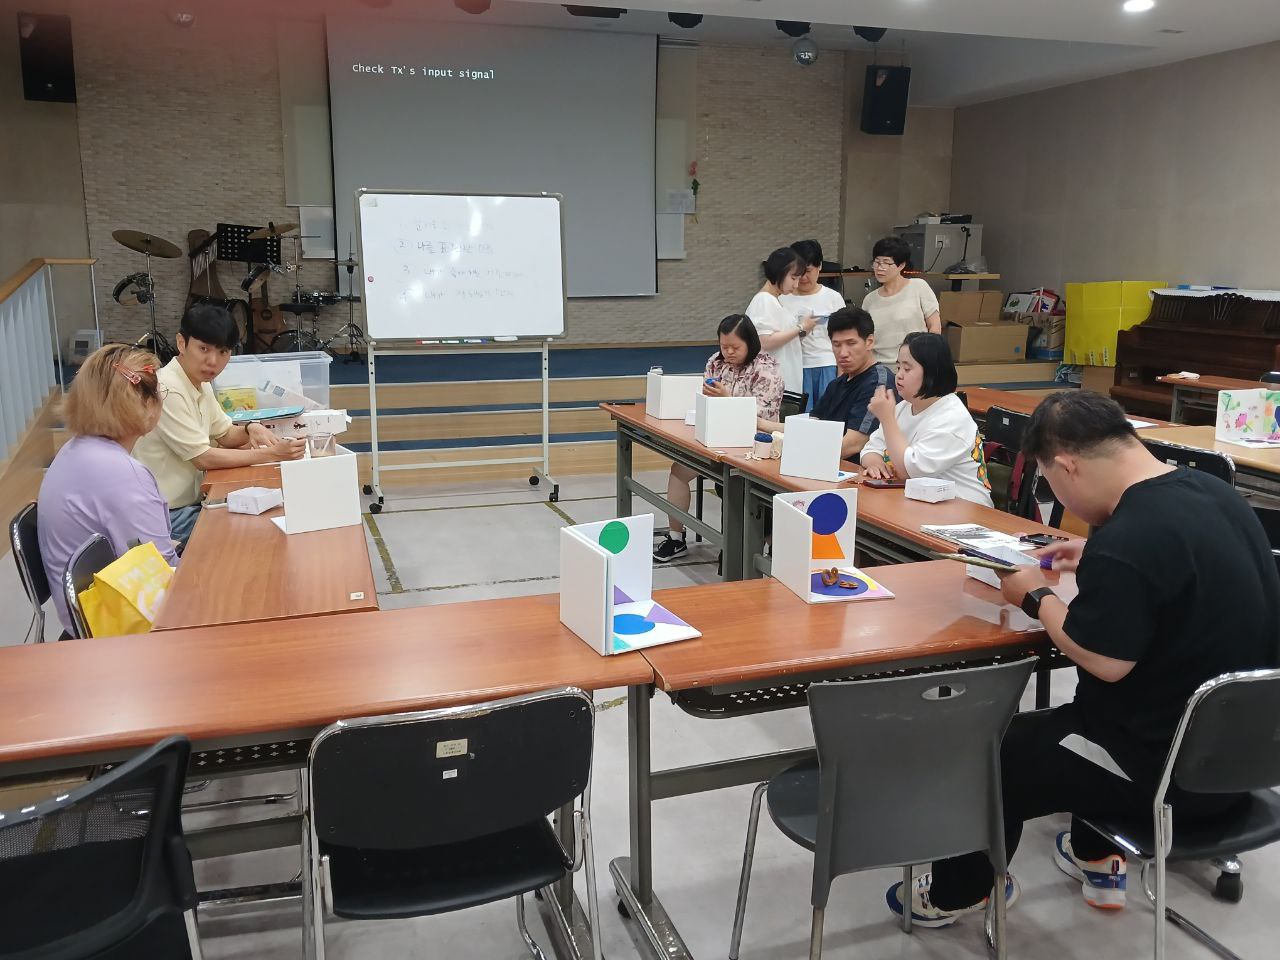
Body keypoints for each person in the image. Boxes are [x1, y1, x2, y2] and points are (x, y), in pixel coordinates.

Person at [888, 390, 1280, 929]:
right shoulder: (1216, 494)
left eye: (1052, 483)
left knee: (997, 744)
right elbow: (1186, 578)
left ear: (1067, 465)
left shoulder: (1132, 536)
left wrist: (1033, 595)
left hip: (1167, 782)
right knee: (1096, 717)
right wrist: (1098, 556)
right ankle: (1095, 853)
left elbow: (1103, 660)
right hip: (1243, 765)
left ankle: (961, 891)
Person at [133, 303, 304, 545]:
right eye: (204, 348)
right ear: (182, 343)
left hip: (188, 503)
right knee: (258, 529)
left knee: (268, 516)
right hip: (166, 518)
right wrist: (273, 454)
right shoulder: (168, 389)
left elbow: (224, 434)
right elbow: (203, 457)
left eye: (223, 352)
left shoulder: (198, 382)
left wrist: (249, 428)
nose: (213, 361)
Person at [36, 344, 178, 633]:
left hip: (85, 616)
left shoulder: (72, 452)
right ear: (146, 403)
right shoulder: (123, 474)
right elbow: (165, 576)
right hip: (120, 628)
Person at [653, 315, 783, 563]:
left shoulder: (767, 368)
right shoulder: (716, 361)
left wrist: (727, 399)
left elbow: (763, 418)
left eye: (736, 347)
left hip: (754, 446)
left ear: (751, 343)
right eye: (725, 347)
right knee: (679, 470)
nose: (729, 352)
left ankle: (767, 550)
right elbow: (704, 400)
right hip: (715, 439)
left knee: (738, 485)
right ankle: (676, 538)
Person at [860, 332, 992, 505]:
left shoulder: (952, 417)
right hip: (920, 501)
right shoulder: (904, 407)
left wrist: (887, 419)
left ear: (932, 371)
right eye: (898, 367)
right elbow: (870, 449)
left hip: (964, 507)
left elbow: (912, 471)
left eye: (907, 369)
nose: (899, 375)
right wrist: (875, 463)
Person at [786, 307, 893, 460]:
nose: (843, 353)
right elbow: (810, 425)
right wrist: (760, 424)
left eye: (851, 343)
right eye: (836, 344)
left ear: (869, 342)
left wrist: (799, 455)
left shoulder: (879, 383)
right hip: (827, 467)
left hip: (859, 474)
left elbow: (853, 444)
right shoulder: (836, 384)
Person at [779, 239, 844, 411]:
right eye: (798, 273)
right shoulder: (783, 298)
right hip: (794, 366)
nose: (804, 278)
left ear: (820, 266)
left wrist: (843, 369)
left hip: (826, 364)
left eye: (808, 271)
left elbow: (844, 336)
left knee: (827, 415)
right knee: (797, 417)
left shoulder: (833, 298)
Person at [862, 235, 941, 369]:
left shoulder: (919, 287)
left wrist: (928, 358)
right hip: (880, 368)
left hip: (915, 364)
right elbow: (865, 338)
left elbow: (935, 326)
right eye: (877, 262)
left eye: (886, 263)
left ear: (901, 265)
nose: (880, 268)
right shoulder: (869, 299)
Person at [745, 247, 814, 396]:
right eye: (793, 278)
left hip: (782, 379)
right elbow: (765, 341)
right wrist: (800, 327)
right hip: (772, 383)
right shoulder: (763, 300)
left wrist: (802, 331)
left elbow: (780, 336)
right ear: (779, 272)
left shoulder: (774, 300)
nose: (796, 285)